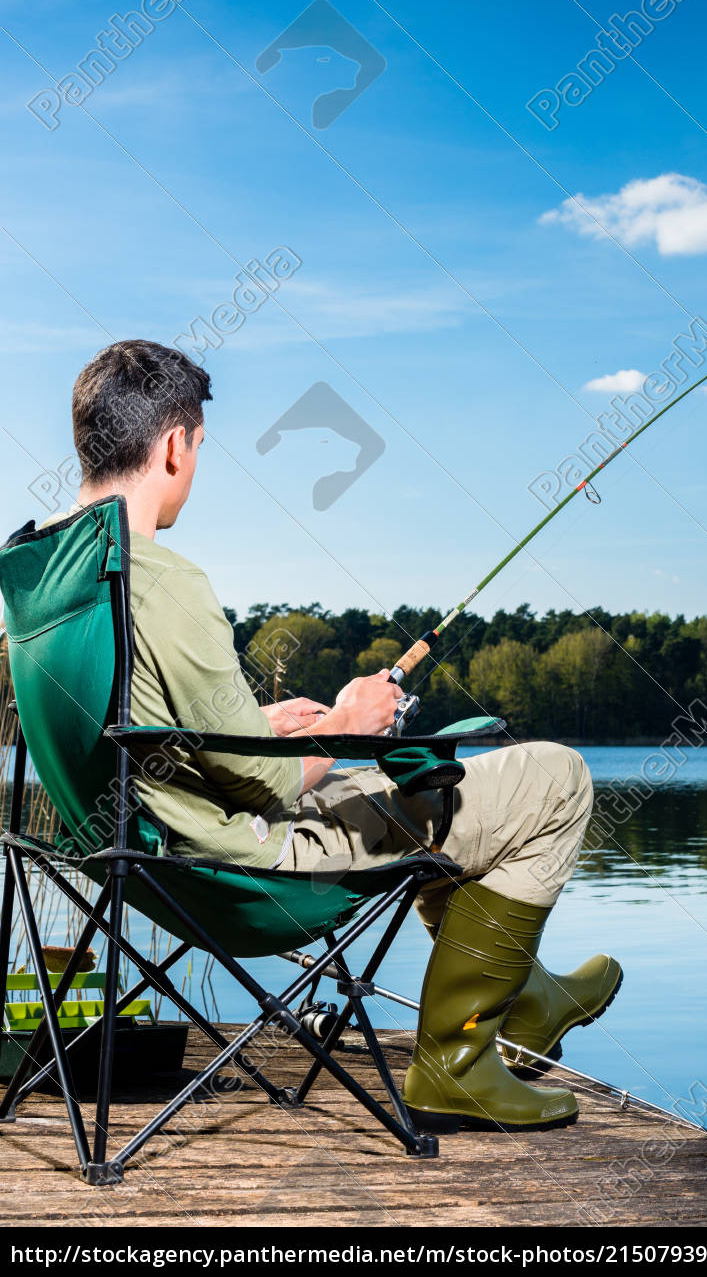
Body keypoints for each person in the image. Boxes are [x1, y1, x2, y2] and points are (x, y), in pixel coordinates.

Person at [55, 340, 621, 1133]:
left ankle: (528, 1000)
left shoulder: (38, 571)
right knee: (555, 780)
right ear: (175, 444)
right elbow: (270, 787)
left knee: (428, 783)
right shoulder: (161, 579)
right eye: (201, 448)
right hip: (249, 876)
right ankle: (457, 1058)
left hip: (139, 865)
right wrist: (349, 723)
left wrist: (261, 728)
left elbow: (137, 731)